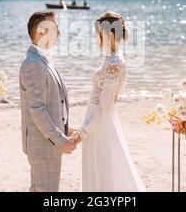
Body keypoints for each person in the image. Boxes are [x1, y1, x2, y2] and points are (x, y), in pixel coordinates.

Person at [71, 11, 146, 192]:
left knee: (103, 170)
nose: (95, 37)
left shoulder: (114, 63)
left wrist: (83, 132)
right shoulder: (112, 59)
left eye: (97, 33)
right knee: (105, 169)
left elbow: (105, 104)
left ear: (107, 34)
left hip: (99, 125)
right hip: (98, 122)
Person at [19, 11, 77, 192]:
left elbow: (53, 102)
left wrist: (65, 128)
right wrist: (60, 140)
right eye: (55, 29)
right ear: (40, 32)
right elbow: (37, 109)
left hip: (47, 142)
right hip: (44, 145)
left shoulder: (43, 59)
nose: (59, 34)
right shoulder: (33, 64)